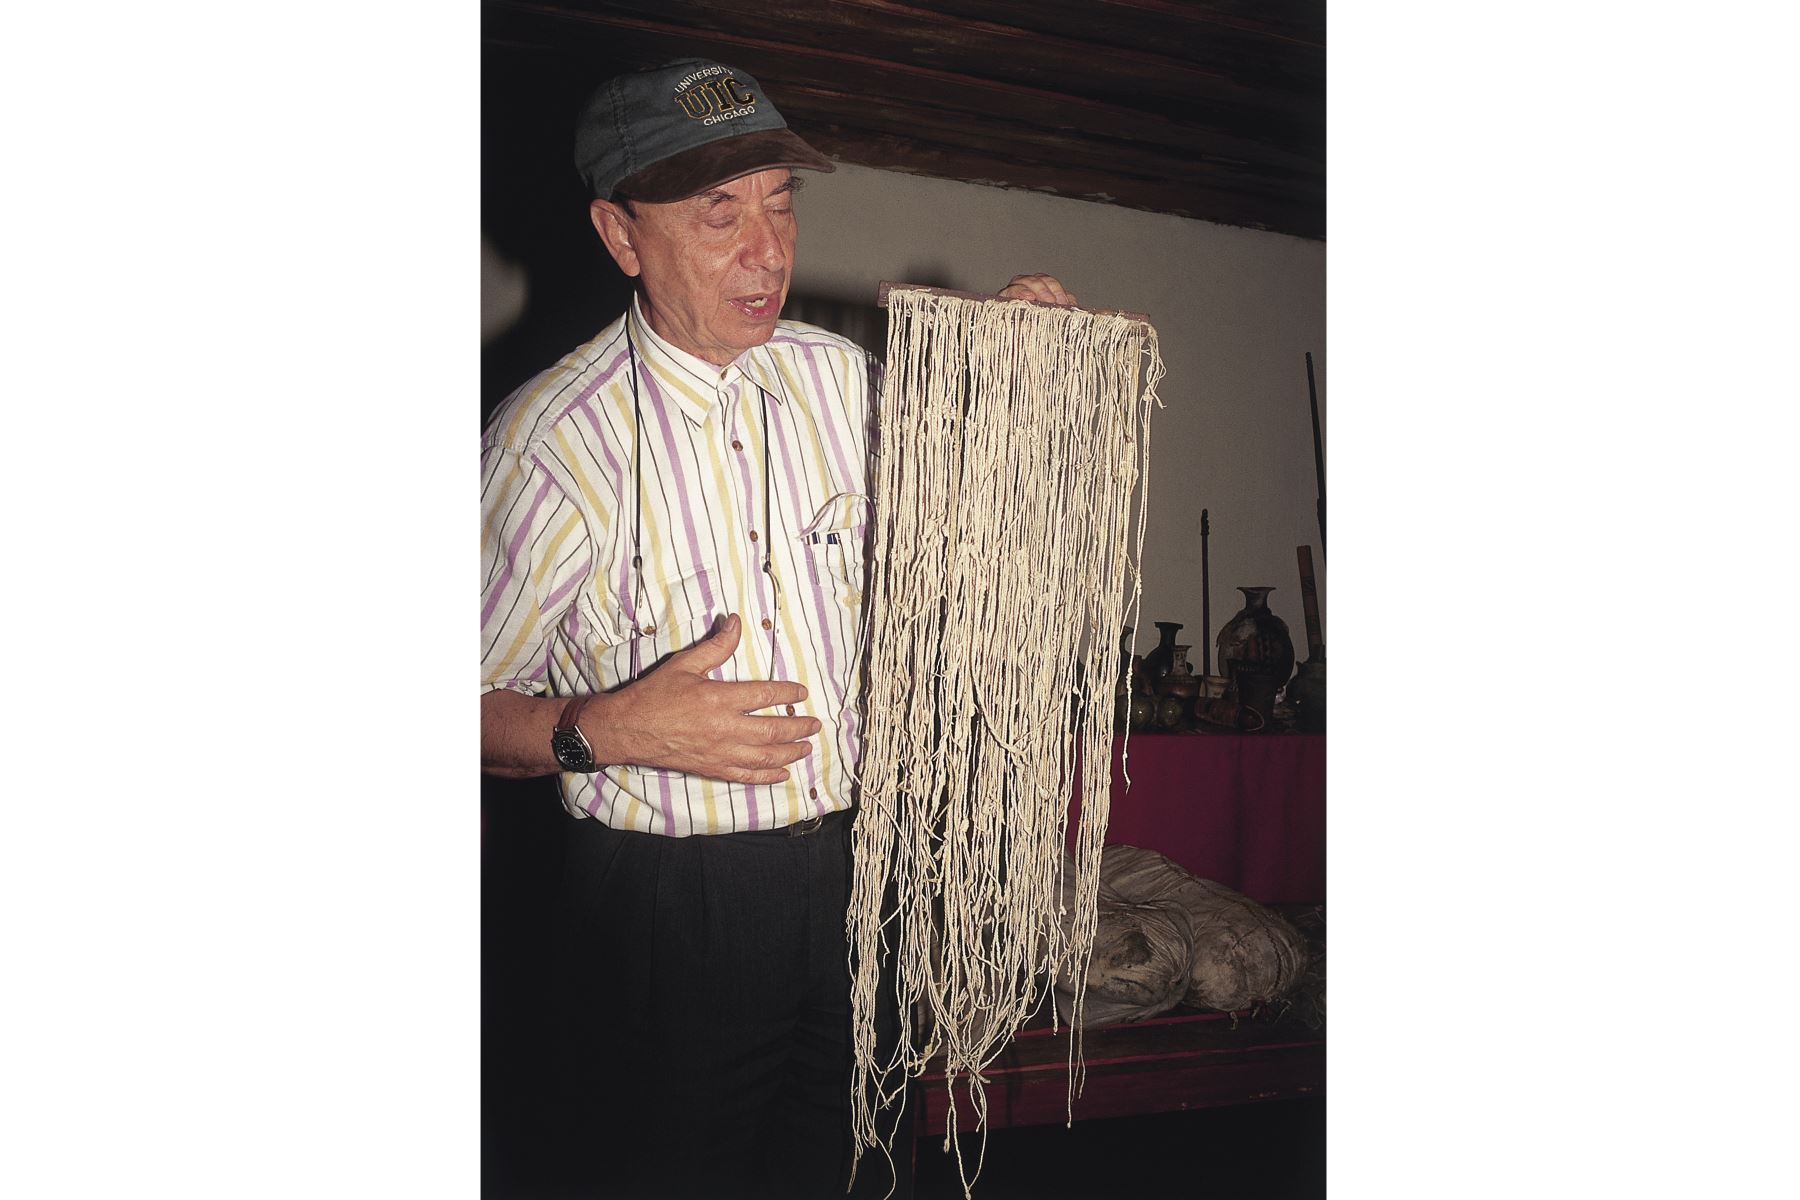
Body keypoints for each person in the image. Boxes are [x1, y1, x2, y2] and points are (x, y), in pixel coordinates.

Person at [480, 57, 1075, 1198]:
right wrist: (611, 728)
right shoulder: (550, 446)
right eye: (719, 213)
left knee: (857, 1169)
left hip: (859, 877)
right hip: (664, 911)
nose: (766, 251)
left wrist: (1004, 371)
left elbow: (964, 518)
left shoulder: (842, 381)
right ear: (620, 234)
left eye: (780, 202)